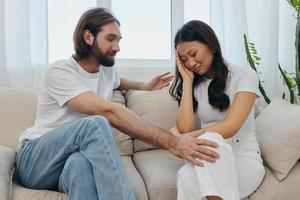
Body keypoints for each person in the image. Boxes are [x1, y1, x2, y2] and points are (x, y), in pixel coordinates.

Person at [15, 8, 220, 200]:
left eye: (119, 40)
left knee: (80, 165)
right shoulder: (60, 73)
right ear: (88, 37)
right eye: (110, 39)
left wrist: (145, 86)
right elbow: (107, 111)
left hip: (66, 164)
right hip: (35, 161)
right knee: (95, 123)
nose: (117, 47)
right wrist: (173, 142)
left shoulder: (107, 70)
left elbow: (119, 82)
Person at [169, 20, 265, 200]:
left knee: (209, 138)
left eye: (193, 54)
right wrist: (187, 82)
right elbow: (184, 128)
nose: (190, 63)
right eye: (184, 60)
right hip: (206, 158)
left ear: (211, 46)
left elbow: (231, 126)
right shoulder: (194, 84)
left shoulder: (245, 76)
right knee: (185, 175)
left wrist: (185, 138)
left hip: (242, 159)